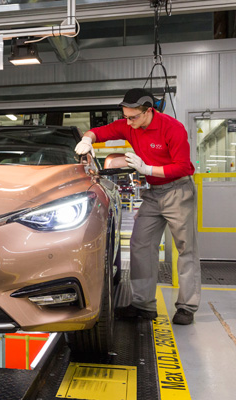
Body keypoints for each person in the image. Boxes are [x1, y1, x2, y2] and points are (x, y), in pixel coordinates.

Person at [74, 88, 200, 325]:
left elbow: (183, 166)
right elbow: (99, 132)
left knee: (186, 248)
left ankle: (187, 306)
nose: (128, 122)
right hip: (154, 192)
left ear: (148, 111)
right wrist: (87, 139)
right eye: (125, 117)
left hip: (178, 190)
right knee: (140, 244)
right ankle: (143, 304)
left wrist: (147, 169)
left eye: (133, 117)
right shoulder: (129, 125)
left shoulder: (172, 128)